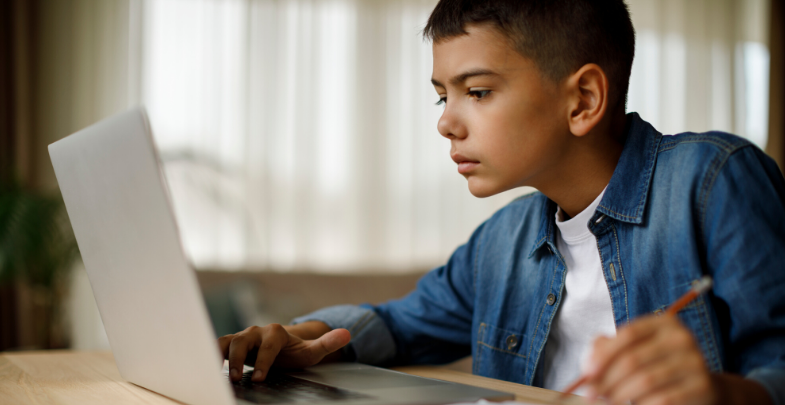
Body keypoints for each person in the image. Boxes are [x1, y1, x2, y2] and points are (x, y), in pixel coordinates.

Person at [218, 1, 785, 404]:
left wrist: (729, 396)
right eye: (442, 96)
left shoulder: (713, 183)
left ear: (583, 100)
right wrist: (300, 336)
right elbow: (396, 324)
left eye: (478, 91)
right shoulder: (503, 240)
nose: (445, 122)